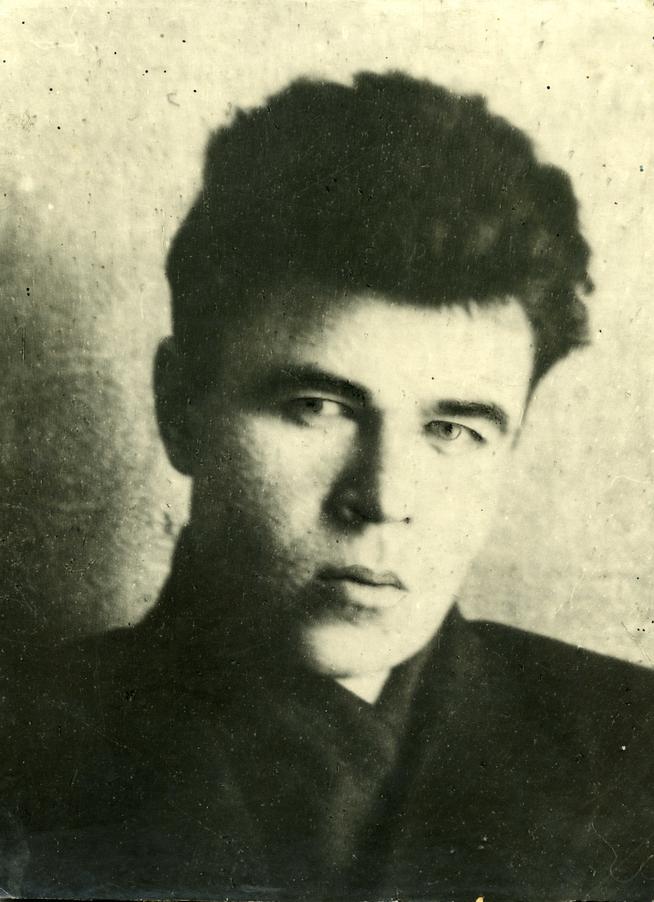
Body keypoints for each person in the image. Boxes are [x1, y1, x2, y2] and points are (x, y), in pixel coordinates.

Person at [9, 71, 654, 901]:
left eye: (453, 430)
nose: (382, 499)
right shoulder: (22, 757)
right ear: (181, 408)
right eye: (316, 407)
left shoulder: (633, 752)